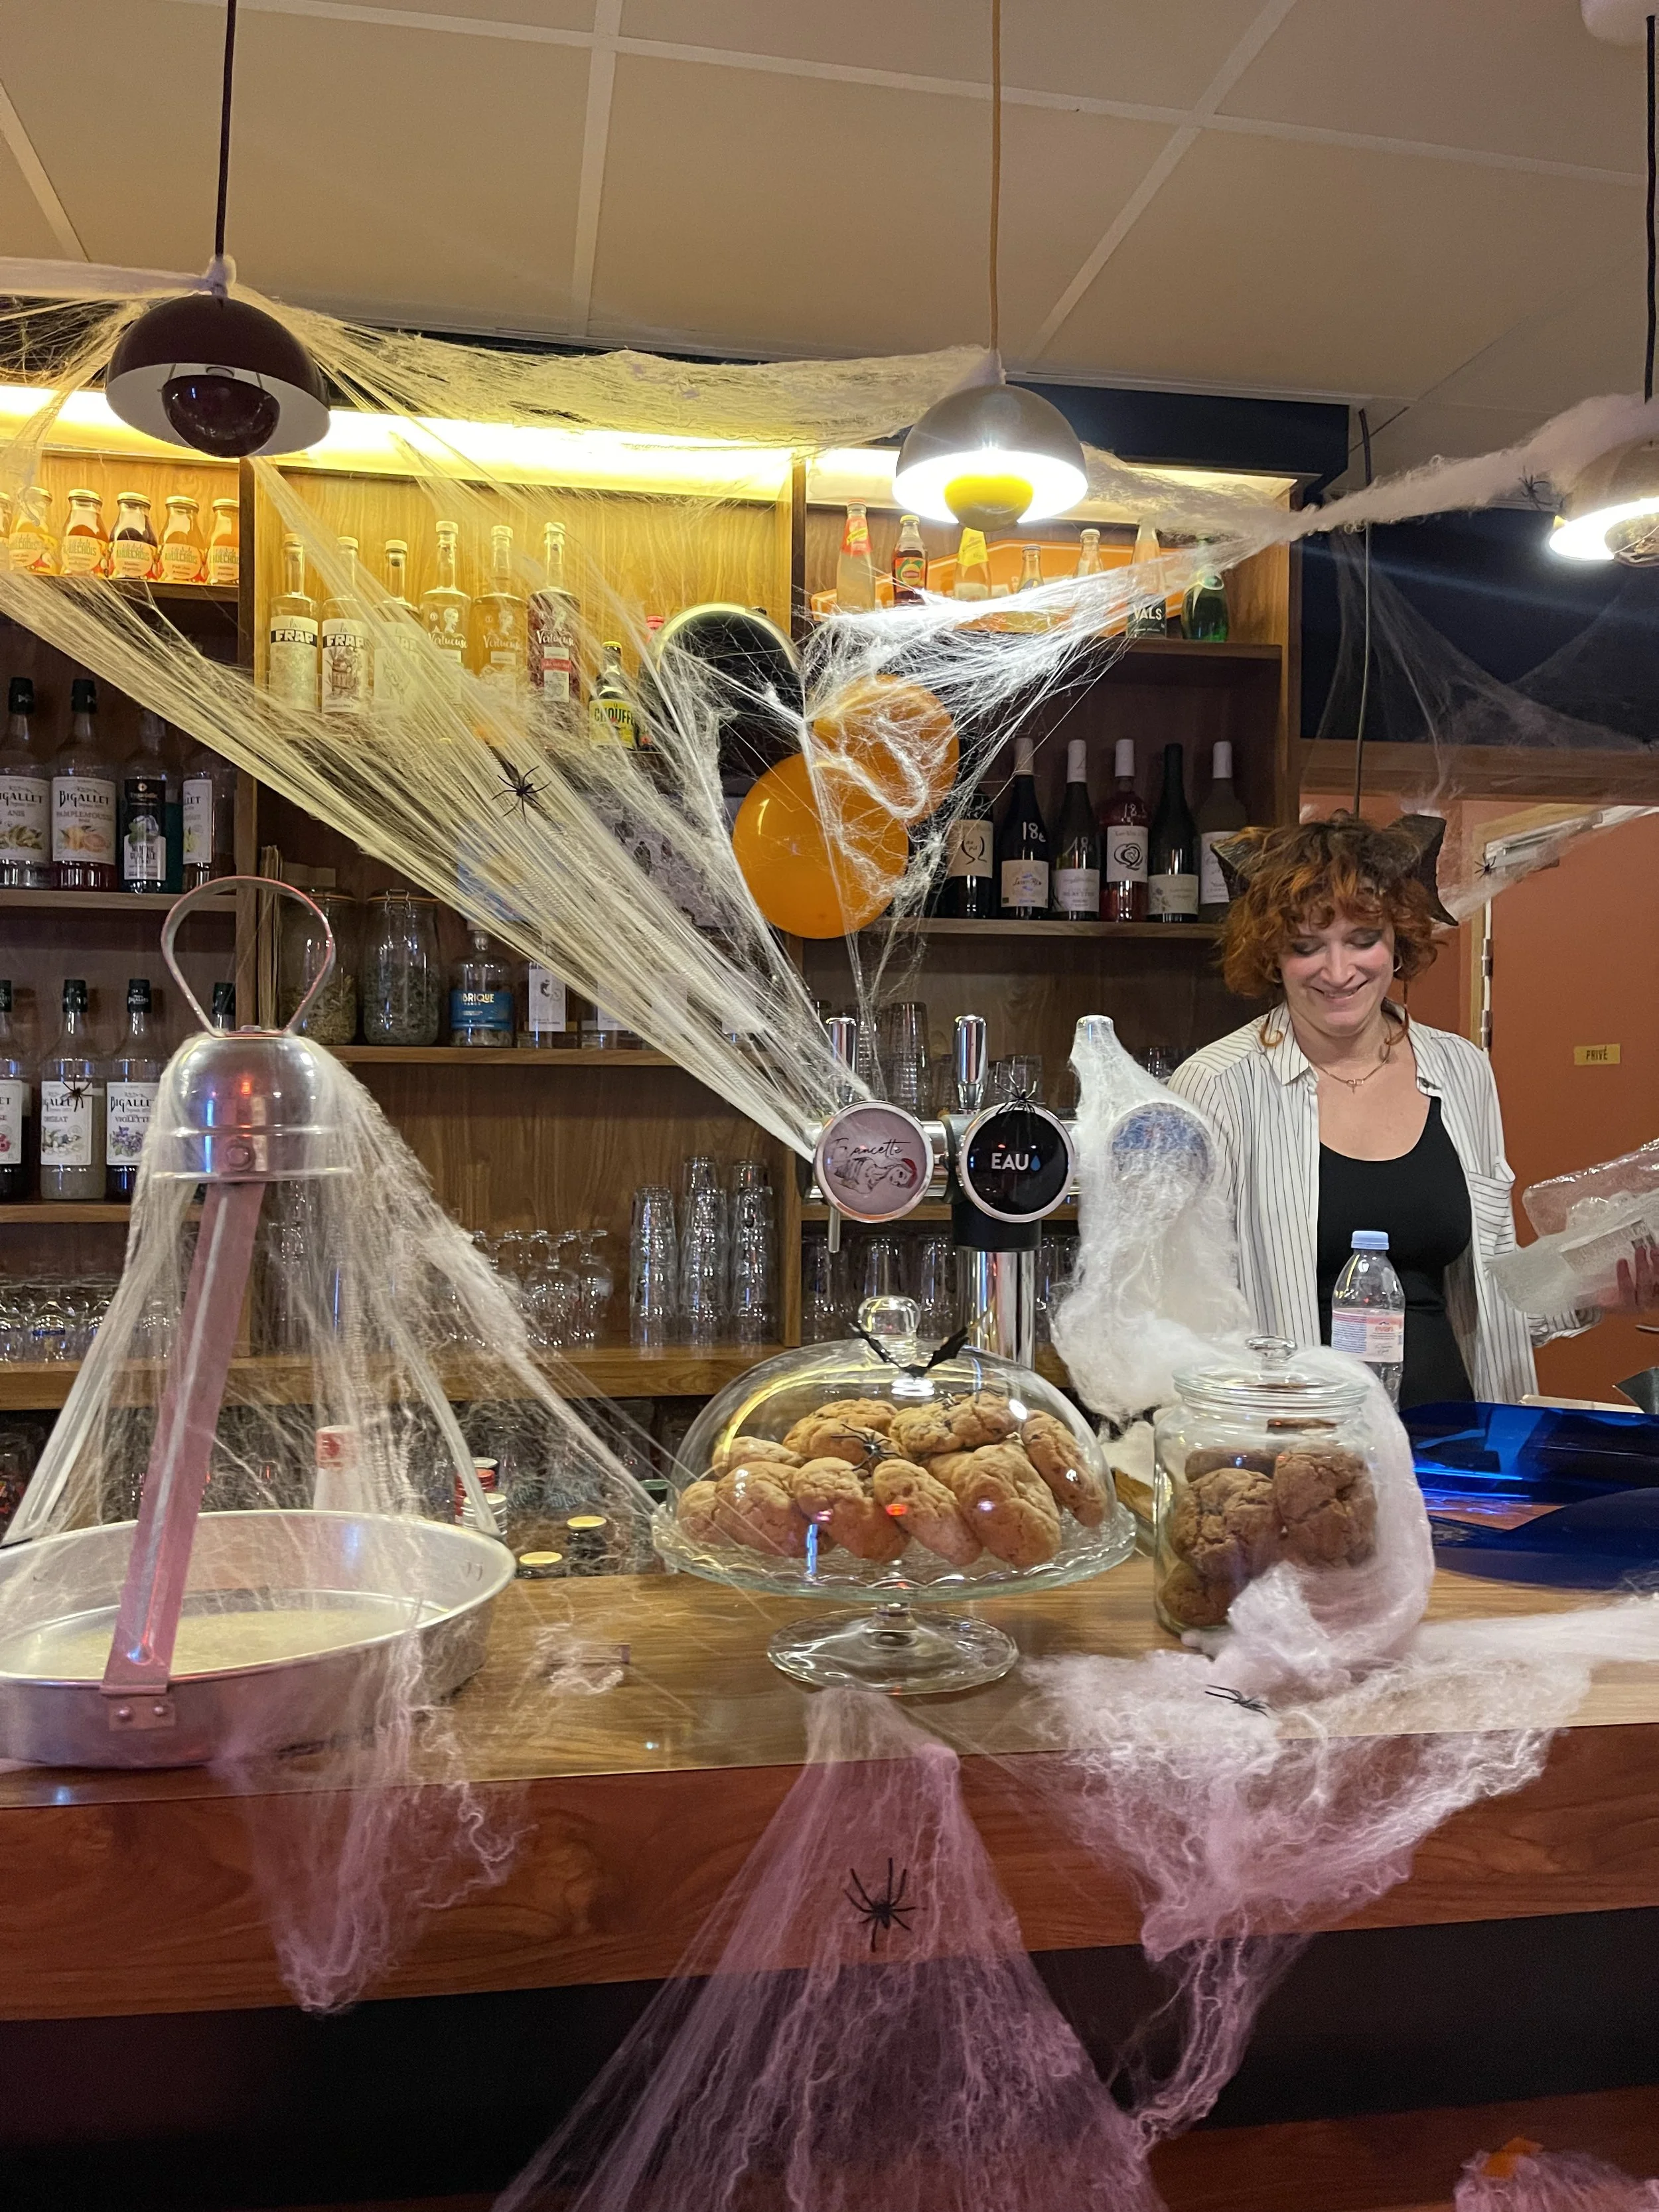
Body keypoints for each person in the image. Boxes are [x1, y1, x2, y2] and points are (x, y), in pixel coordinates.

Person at [1167, 816, 1595, 1408]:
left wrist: (1594, 1282)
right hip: (1295, 1453)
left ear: (1399, 937)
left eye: (1363, 938)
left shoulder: (1462, 1071)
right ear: (1272, 954)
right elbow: (1182, 1311)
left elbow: (1494, 1297)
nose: (1338, 972)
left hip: (1455, 1451)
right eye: (1306, 946)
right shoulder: (1216, 1087)